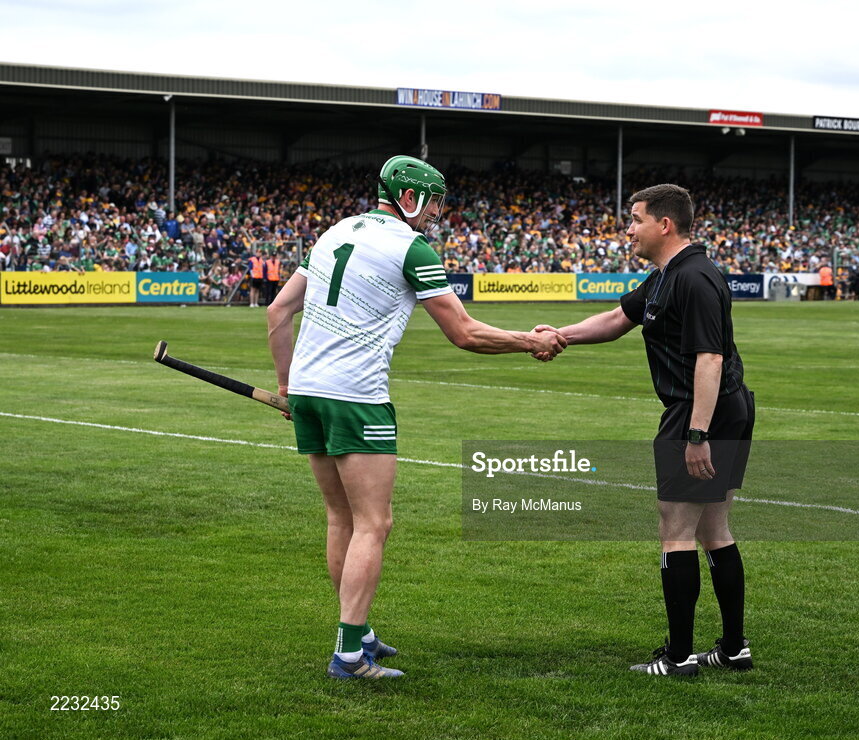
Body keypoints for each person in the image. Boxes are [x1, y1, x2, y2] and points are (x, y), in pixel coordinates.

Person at [267, 155, 566, 681]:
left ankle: (356, 633)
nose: (436, 214)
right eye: (433, 203)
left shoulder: (333, 233)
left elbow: (277, 312)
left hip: (312, 393)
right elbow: (465, 333)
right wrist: (530, 342)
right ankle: (349, 657)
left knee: (342, 520)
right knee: (374, 523)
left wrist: (289, 385)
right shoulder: (412, 247)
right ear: (409, 199)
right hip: (356, 395)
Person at [533, 184, 755, 678]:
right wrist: (558, 335)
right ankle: (734, 648)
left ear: (664, 225)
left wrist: (696, 435)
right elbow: (616, 319)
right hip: (724, 408)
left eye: (634, 219)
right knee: (715, 529)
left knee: (675, 530)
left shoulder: (694, 278)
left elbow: (710, 359)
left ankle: (677, 658)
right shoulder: (665, 276)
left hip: (702, 412)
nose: (628, 229)